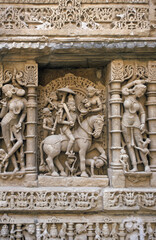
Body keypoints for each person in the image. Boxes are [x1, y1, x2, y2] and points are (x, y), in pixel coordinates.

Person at [122, 79, 150, 172]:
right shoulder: (126, 95)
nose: (142, 94)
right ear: (136, 89)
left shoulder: (138, 103)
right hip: (126, 121)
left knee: (140, 143)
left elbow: (142, 113)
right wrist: (137, 82)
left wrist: (142, 123)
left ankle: (146, 165)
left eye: (143, 93)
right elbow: (124, 88)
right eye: (141, 91)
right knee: (129, 145)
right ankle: (134, 166)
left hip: (136, 121)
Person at [0, 84, 27, 172]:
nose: (5, 94)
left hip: (15, 123)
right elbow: (1, 115)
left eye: (5, 92)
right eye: (4, 93)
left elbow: (24, 113)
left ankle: (6, 157)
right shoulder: (8, 102)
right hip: (5, 122)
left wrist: (20, 122)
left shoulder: (23, 100)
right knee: (8, 145)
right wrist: (4, 106)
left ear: (12, 89)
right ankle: (15, 167)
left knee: (20, 141)